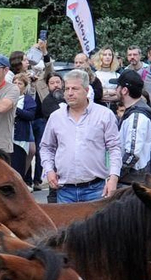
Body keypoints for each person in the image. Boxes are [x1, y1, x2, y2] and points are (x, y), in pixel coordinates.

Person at [38, 70, 121, 202]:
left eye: (75, 89)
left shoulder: (104, 115)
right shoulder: (56, 117)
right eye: (67, 89)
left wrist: (113, 178)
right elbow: (46, 147)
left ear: (87, 90)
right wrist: (49, 170)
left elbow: (114, 148)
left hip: (95, 190)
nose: (70, 93)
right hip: (64, 190)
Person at [117, 76, 151, 180]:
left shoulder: (136, 116)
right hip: (134, 178)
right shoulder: (134, 112)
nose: (115, 90)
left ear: (124, 90)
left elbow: (132, 153)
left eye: (118, 86)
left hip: (132, 180)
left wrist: (116, 175)